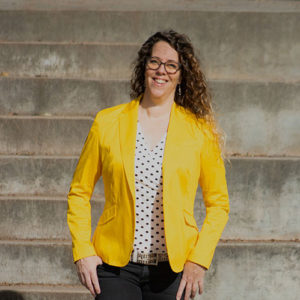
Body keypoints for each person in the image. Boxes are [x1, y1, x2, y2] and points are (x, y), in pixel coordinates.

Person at [67, 30, 229, 300]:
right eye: (154, 62)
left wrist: (199, 259)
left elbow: (219, 204)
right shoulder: (106, 123)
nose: (160, 71)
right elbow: (79, 192)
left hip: (172, 271)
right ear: (144, 67)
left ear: (180, 75)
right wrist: (83, 251)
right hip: (115, 266)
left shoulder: (199, 132)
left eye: (171, 65)